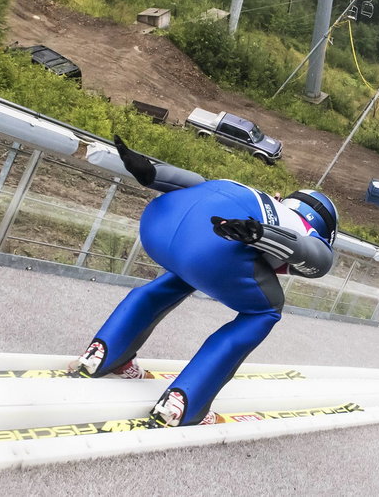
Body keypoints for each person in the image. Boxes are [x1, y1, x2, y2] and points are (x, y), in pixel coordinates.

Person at [70, 136, 338, 427]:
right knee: (266, 309)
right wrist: (259, 234)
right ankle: (185, 401)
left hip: (157, 225)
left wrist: (150, 172)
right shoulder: (309, 229)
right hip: (214, 248)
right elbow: (314, 257)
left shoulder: (259, 195)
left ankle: (105, 353)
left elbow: (195, 182)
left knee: (180, 279)